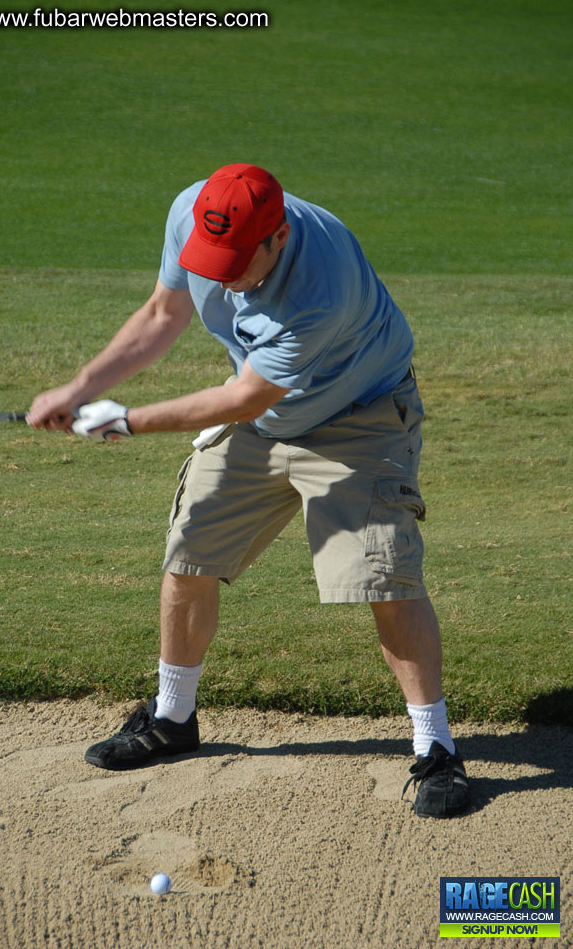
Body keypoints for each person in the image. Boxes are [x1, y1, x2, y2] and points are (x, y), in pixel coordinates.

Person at [28, 163, 470, 818]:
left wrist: (127, 420)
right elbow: (162, 314)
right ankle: (173, 718)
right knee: (190, 552)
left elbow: (244, 396)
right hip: (264, 423)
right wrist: (80, 388)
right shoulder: (193, 211)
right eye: (214, 261)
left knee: (383, 578)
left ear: (278, 237)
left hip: (357, 419)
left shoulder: (322, 285)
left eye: (237, 263)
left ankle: (437, 749)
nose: (223, 277)